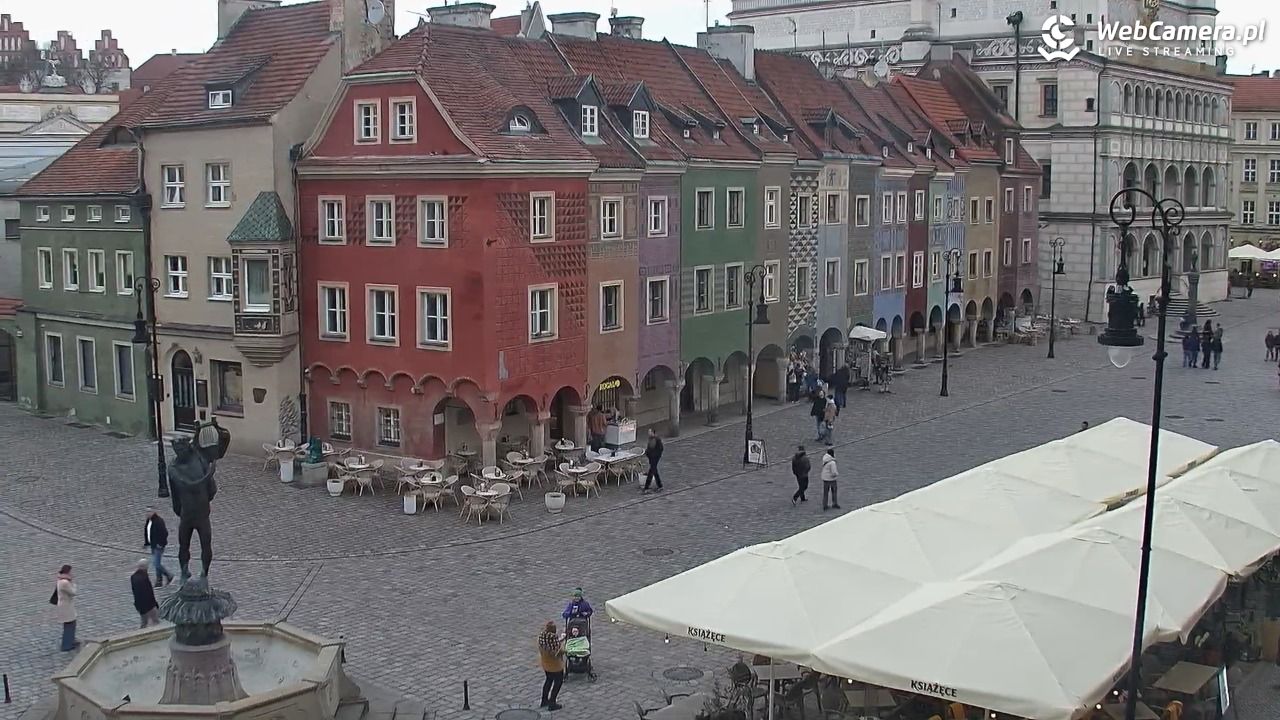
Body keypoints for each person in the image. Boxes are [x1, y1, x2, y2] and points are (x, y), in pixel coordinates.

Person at [537, 621, 566, 711]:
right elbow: (558, 652)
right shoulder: (554, 640)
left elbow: (551, 644)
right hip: (555, 666)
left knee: (548, 680)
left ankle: (544, 700)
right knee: (558, 682)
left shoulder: (542, 637)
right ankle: (552, 703)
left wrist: (560, 639)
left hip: (546, 664)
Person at [143, 507, 174, 587]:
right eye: (146, 512)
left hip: (158, 546)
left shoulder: (159, 521)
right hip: (153, 545)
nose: (147, 513)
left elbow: (164, 533)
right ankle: (159, 580)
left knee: (156, 563)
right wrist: (147, 543)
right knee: (157, 563)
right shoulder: (149, 521)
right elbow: (148, 532)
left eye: (149, 511)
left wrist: (161, 544)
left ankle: (168, 575)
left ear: (154, 512)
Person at [131, 558, 160, 628]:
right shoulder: (144, 578)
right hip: (149, 605)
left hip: (139, 604)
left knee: (144, 622)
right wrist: (154, 603)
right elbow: (149, 592)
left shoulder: (133, 577)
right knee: (155, 621)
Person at [55, 564, 78, 651]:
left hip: (65, 605)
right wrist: (74, 585)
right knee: (69, 624)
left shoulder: (61, 580)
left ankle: (70, 641)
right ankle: (67, 645)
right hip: (66, 606)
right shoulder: (65, 582)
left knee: (70, 624)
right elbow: (73, 592)